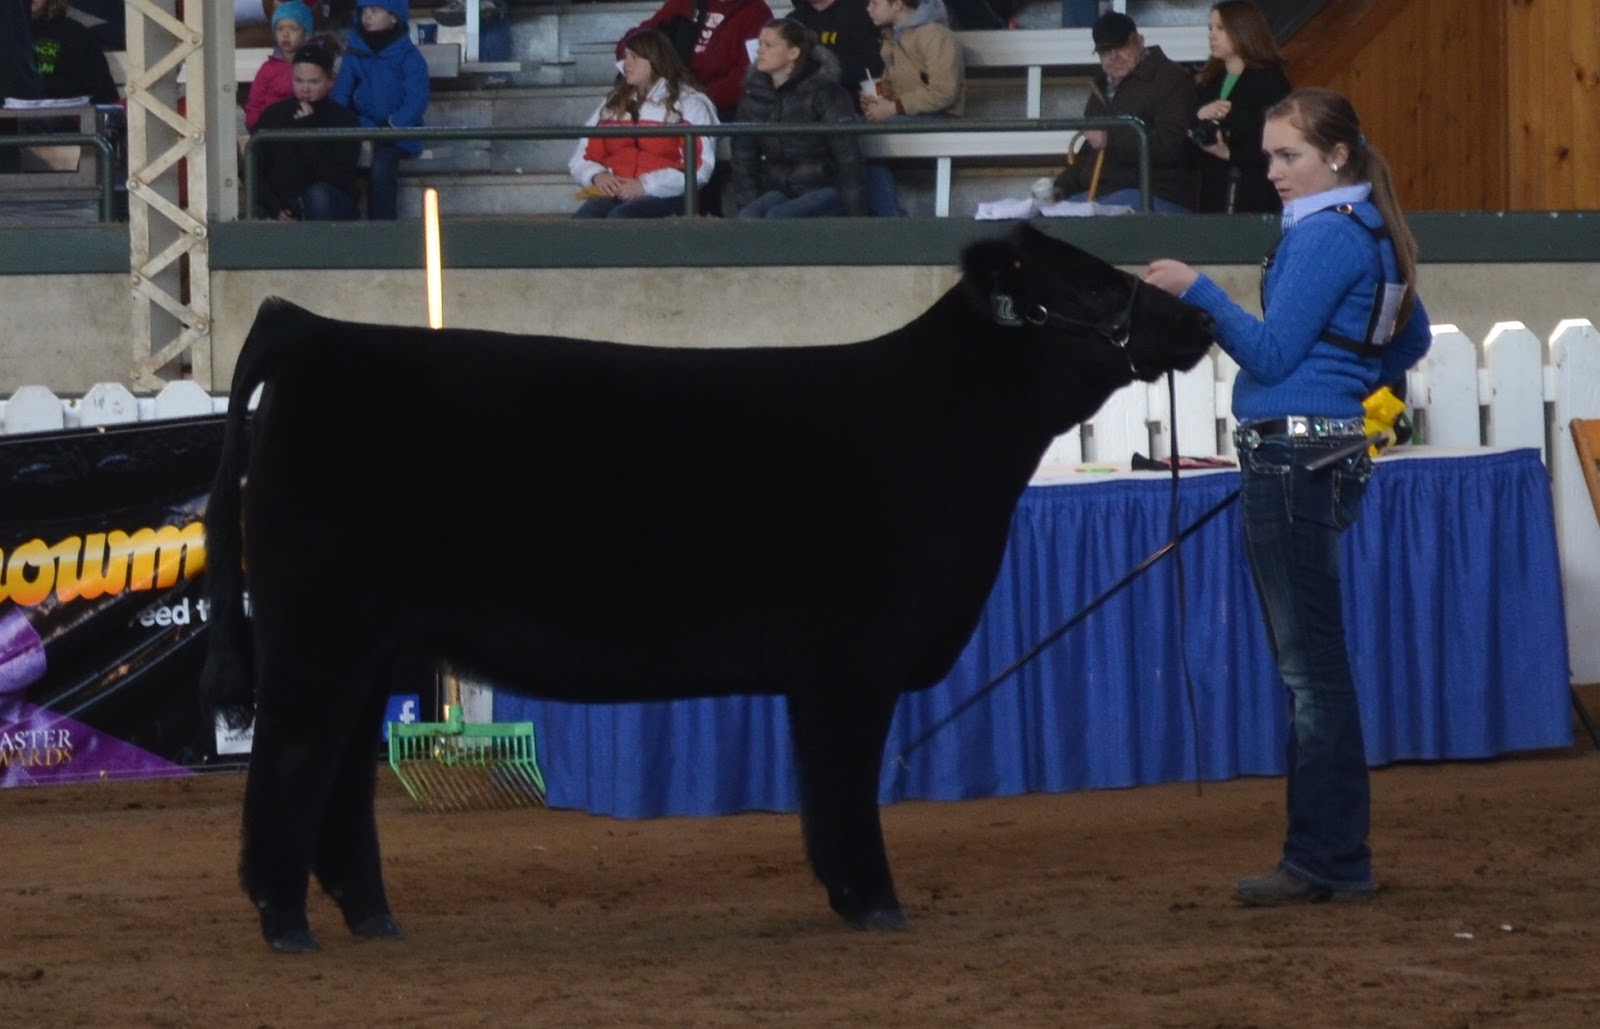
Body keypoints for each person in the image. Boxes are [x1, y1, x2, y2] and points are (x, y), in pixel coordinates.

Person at [1143, 87, 1432, 906]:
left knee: (1311, 672)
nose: (1271, 170)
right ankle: (1326, 854)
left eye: (1287, 155)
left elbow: (1267, 356)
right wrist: (1351, 394)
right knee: (1316, 665)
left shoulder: (1321, 238)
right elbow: (1404, 339)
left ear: (1336, 156)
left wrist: (1198, 288)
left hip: (1289, 455)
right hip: (1330, 451)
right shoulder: (1375, 233)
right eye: (1269, 155)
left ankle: (1329, 858)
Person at [1051, 11, 1194, 213]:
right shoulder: (1100, 88)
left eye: (1120, 47)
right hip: (1105, 192)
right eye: (1105, 51)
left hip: (1156, 191)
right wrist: (1060, 188)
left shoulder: (1171, 79)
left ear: (1140, 41)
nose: (1113, 57)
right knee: (1047, 215)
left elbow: (1172, 146)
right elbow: (1088, 154)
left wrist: (1112, 139)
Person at [569, 29, 718, 219]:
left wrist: (645, 186)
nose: (626, 64)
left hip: (668, 195)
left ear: (655, 61)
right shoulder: (613, 103)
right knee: (585, 220)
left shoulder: (690, 103)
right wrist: (596, 176)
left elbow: (698, 167)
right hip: (616, 192)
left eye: (635, 57)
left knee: (622, 217)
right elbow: (582, 156)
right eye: (626, 57)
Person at [729, 20, 863, 218]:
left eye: (769, 45)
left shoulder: (826, 93)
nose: (760, 51)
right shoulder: (754, 97)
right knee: (748, 218)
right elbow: (743, 160)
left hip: (825, 188)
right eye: (760, 44)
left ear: (793, 53)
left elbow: (848, 157)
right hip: (780, 190)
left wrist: (856, 216)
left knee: (778, 217)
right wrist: (750, 210)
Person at [859, 0, 964, 217]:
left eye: (875, 3)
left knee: (862, 135)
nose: (868, 9)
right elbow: (894, 83)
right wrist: (878, 98)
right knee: (851, 132)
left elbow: (944, 92)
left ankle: (891, 218)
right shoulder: (893, 38)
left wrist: (893, 108)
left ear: (897, 4)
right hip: (909, 116)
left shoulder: (936, 35)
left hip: (938, 118)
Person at [331, 0, 429, 221]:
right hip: (361, 130)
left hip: (399, 135)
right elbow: (341, 94)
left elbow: (416, 100)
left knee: (382, 168)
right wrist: (344, 123)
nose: (367, 16)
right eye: (364, 11)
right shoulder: (354, 54)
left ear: (394, 17)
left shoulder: (410, 57)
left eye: (374, 11)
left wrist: (394, 125)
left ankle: (382, 229)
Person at [1190, 0, 1291, 213]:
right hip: (1213, 191)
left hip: (1255, 193)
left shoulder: (1270, 81)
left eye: (1220, 28)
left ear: (1243, 30)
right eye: (1210, 28)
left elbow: (1283, 144)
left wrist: (1230, 153)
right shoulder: (1210, 79)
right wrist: (1198, 116)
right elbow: (1187, 144)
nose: (1212, 35)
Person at [252, 45, 361, 221]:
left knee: (318, 196)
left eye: (313, 82)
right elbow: (255, 170)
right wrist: (276, 207)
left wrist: (308, 131)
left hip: (329, 203)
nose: (305, 89)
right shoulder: (274, 115)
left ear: (329, 81)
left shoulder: (343, 119)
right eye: (299, 80)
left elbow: (338, 178)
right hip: (283, 202)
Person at [617, 0, 774, 120]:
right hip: (665, 95)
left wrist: (694, 97)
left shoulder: (757, 12)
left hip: (715, 105)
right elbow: (639, 37)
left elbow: (746, 76)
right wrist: (629, 55)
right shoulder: (685, 3)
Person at [28, 0, 119, 105]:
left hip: (66, 116)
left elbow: (104, 95)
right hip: (10, 117)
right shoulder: (5, 37)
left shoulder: (75, 34)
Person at [245, 1, 314, 133]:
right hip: (270, 132)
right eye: (280, 28)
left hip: (305, 131)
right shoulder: (268, 69)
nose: (285, 34)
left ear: (306, 34)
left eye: (293, 29)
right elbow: (254, 104)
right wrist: (257, 128)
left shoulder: (314, 67)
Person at [785, 0, 882, 94]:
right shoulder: (793, 21)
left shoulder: (866, 11)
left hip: (860, 98)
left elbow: (875, 64)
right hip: (807, 102)